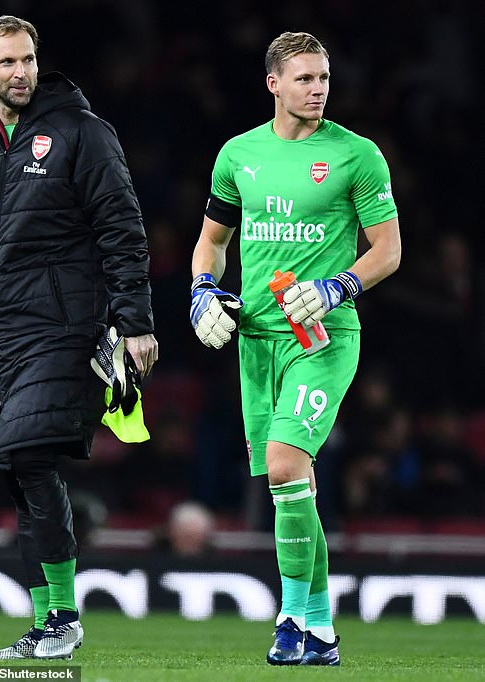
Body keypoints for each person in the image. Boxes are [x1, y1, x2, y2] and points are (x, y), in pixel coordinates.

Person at [0, 15, 158, 660]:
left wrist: (135, 323)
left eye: (28, 60)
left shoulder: (81, 134)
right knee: (15, 468)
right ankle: (46, 624)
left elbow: (123, 228)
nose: (20, 73)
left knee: (31, 456)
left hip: (61, 325)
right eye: (6, 63)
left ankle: (63, 619)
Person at [190, 31, 400, 666]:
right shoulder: (238, 155)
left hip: (323, 337)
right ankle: (322, 628)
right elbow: (212, 242)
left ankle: (289, 615)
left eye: (325, 78)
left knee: (285, 462)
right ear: (274, 84)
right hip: (256, 340)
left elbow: (387, 251)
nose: (319, 89)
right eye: (305, 78)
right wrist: (202, 290)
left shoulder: (356, 156)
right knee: (293, 482)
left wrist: (339, 286)